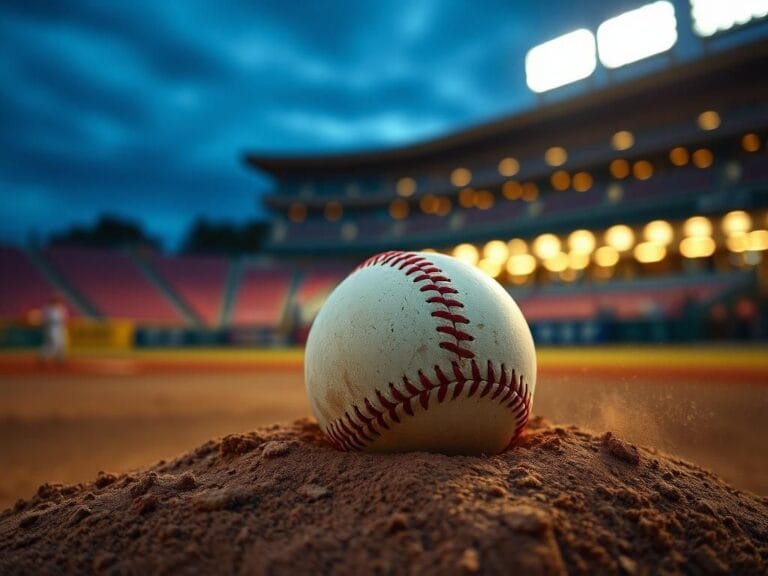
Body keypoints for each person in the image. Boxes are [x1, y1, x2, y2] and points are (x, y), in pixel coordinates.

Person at [40, 296, 69, 363]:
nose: (57, 302)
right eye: (56, 300)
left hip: (61, 328)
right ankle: (43, 357)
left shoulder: (61, 308)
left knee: (62, 343)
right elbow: (45, 319)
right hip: (52, 328)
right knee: (53, 344)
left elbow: (65, 318)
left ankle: (60, 359)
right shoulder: (48, 309)